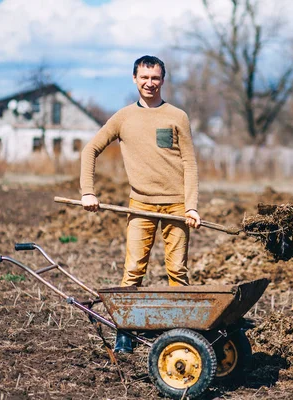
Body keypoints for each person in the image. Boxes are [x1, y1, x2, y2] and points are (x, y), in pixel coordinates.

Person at [80, 55, 201, 353]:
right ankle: (126, 331)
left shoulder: (177, 116)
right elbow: (90, 149)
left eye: (155, 77)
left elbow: (190, 163)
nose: (150, 83)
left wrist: (192, 206)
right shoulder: (123, 117)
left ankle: (179, 333)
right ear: (134, 79)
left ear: (163, 80)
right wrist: (88, 191)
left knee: (178, 272)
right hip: (139, 206)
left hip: (176, 207)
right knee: (133, 270)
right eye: (144, 77)